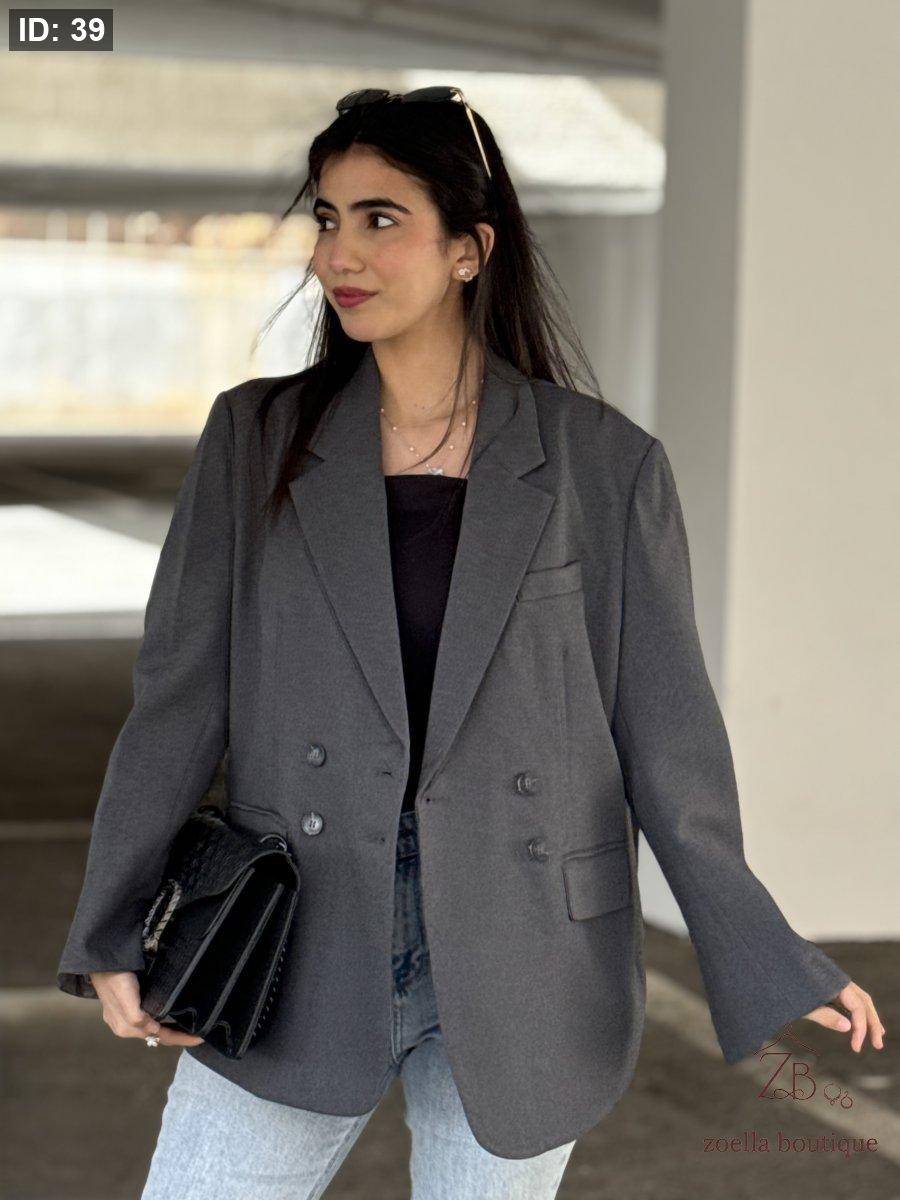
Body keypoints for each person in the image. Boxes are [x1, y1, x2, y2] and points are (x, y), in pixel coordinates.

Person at [58, 87, 884, 1200]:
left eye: (381, 219)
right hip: (294, 934)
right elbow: (178, 700)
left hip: (527, 949)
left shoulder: (603, 466)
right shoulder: (255, 440)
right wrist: (113, 923)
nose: (340, 253)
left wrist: (766, 953)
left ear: (469, 249)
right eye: (328, 218)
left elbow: (667, 741)